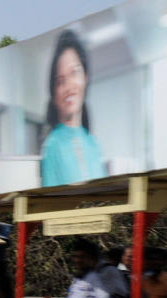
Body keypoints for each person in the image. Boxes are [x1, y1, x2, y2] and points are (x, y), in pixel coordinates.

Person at [40, 29, 107, 188]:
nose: (69, 86)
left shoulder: (93, 143)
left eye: (74, 73)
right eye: (60, 80)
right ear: (54, 94)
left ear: (86, 77)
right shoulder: (52, 146)